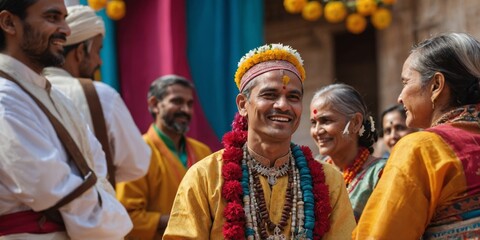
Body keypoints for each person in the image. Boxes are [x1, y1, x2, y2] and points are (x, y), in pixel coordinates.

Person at [163, 43, 355, 239]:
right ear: (242, 105)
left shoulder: (330, 180)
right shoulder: (205, 176)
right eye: (269, 95)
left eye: (293, 97)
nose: (282, 105)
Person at [0, 0, 132, 239]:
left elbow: (97, 167)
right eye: (53, 18)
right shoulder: (4, 97)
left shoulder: (53, 96)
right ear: (9, 23)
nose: (66, 29)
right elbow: (50, 187)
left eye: (64, 17)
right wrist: (115, 221)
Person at [353, 33, 480, 239]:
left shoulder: (422, 148)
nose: (400, 97)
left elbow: (381, 235)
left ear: (436, 86)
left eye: (405, 82)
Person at [43, 5, 150, 186]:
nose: (99, 61)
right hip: (92, 210)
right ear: (80, 52)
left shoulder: (23, 89)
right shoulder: (101, 95)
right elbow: (138, 164)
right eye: (97, 51)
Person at [116, 74, 212, 239]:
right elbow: (127, 217)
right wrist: (181, 221)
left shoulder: (203, 152)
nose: (186, 110)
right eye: (177, 101)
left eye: (190, 104)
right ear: (154, 105)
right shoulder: (137, 151)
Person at [310, 83, 386, 222]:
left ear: (356, 123)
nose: (317, 131)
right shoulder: (313, 171)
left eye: (326, 120)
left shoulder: (380, 174)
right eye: (313, 123)